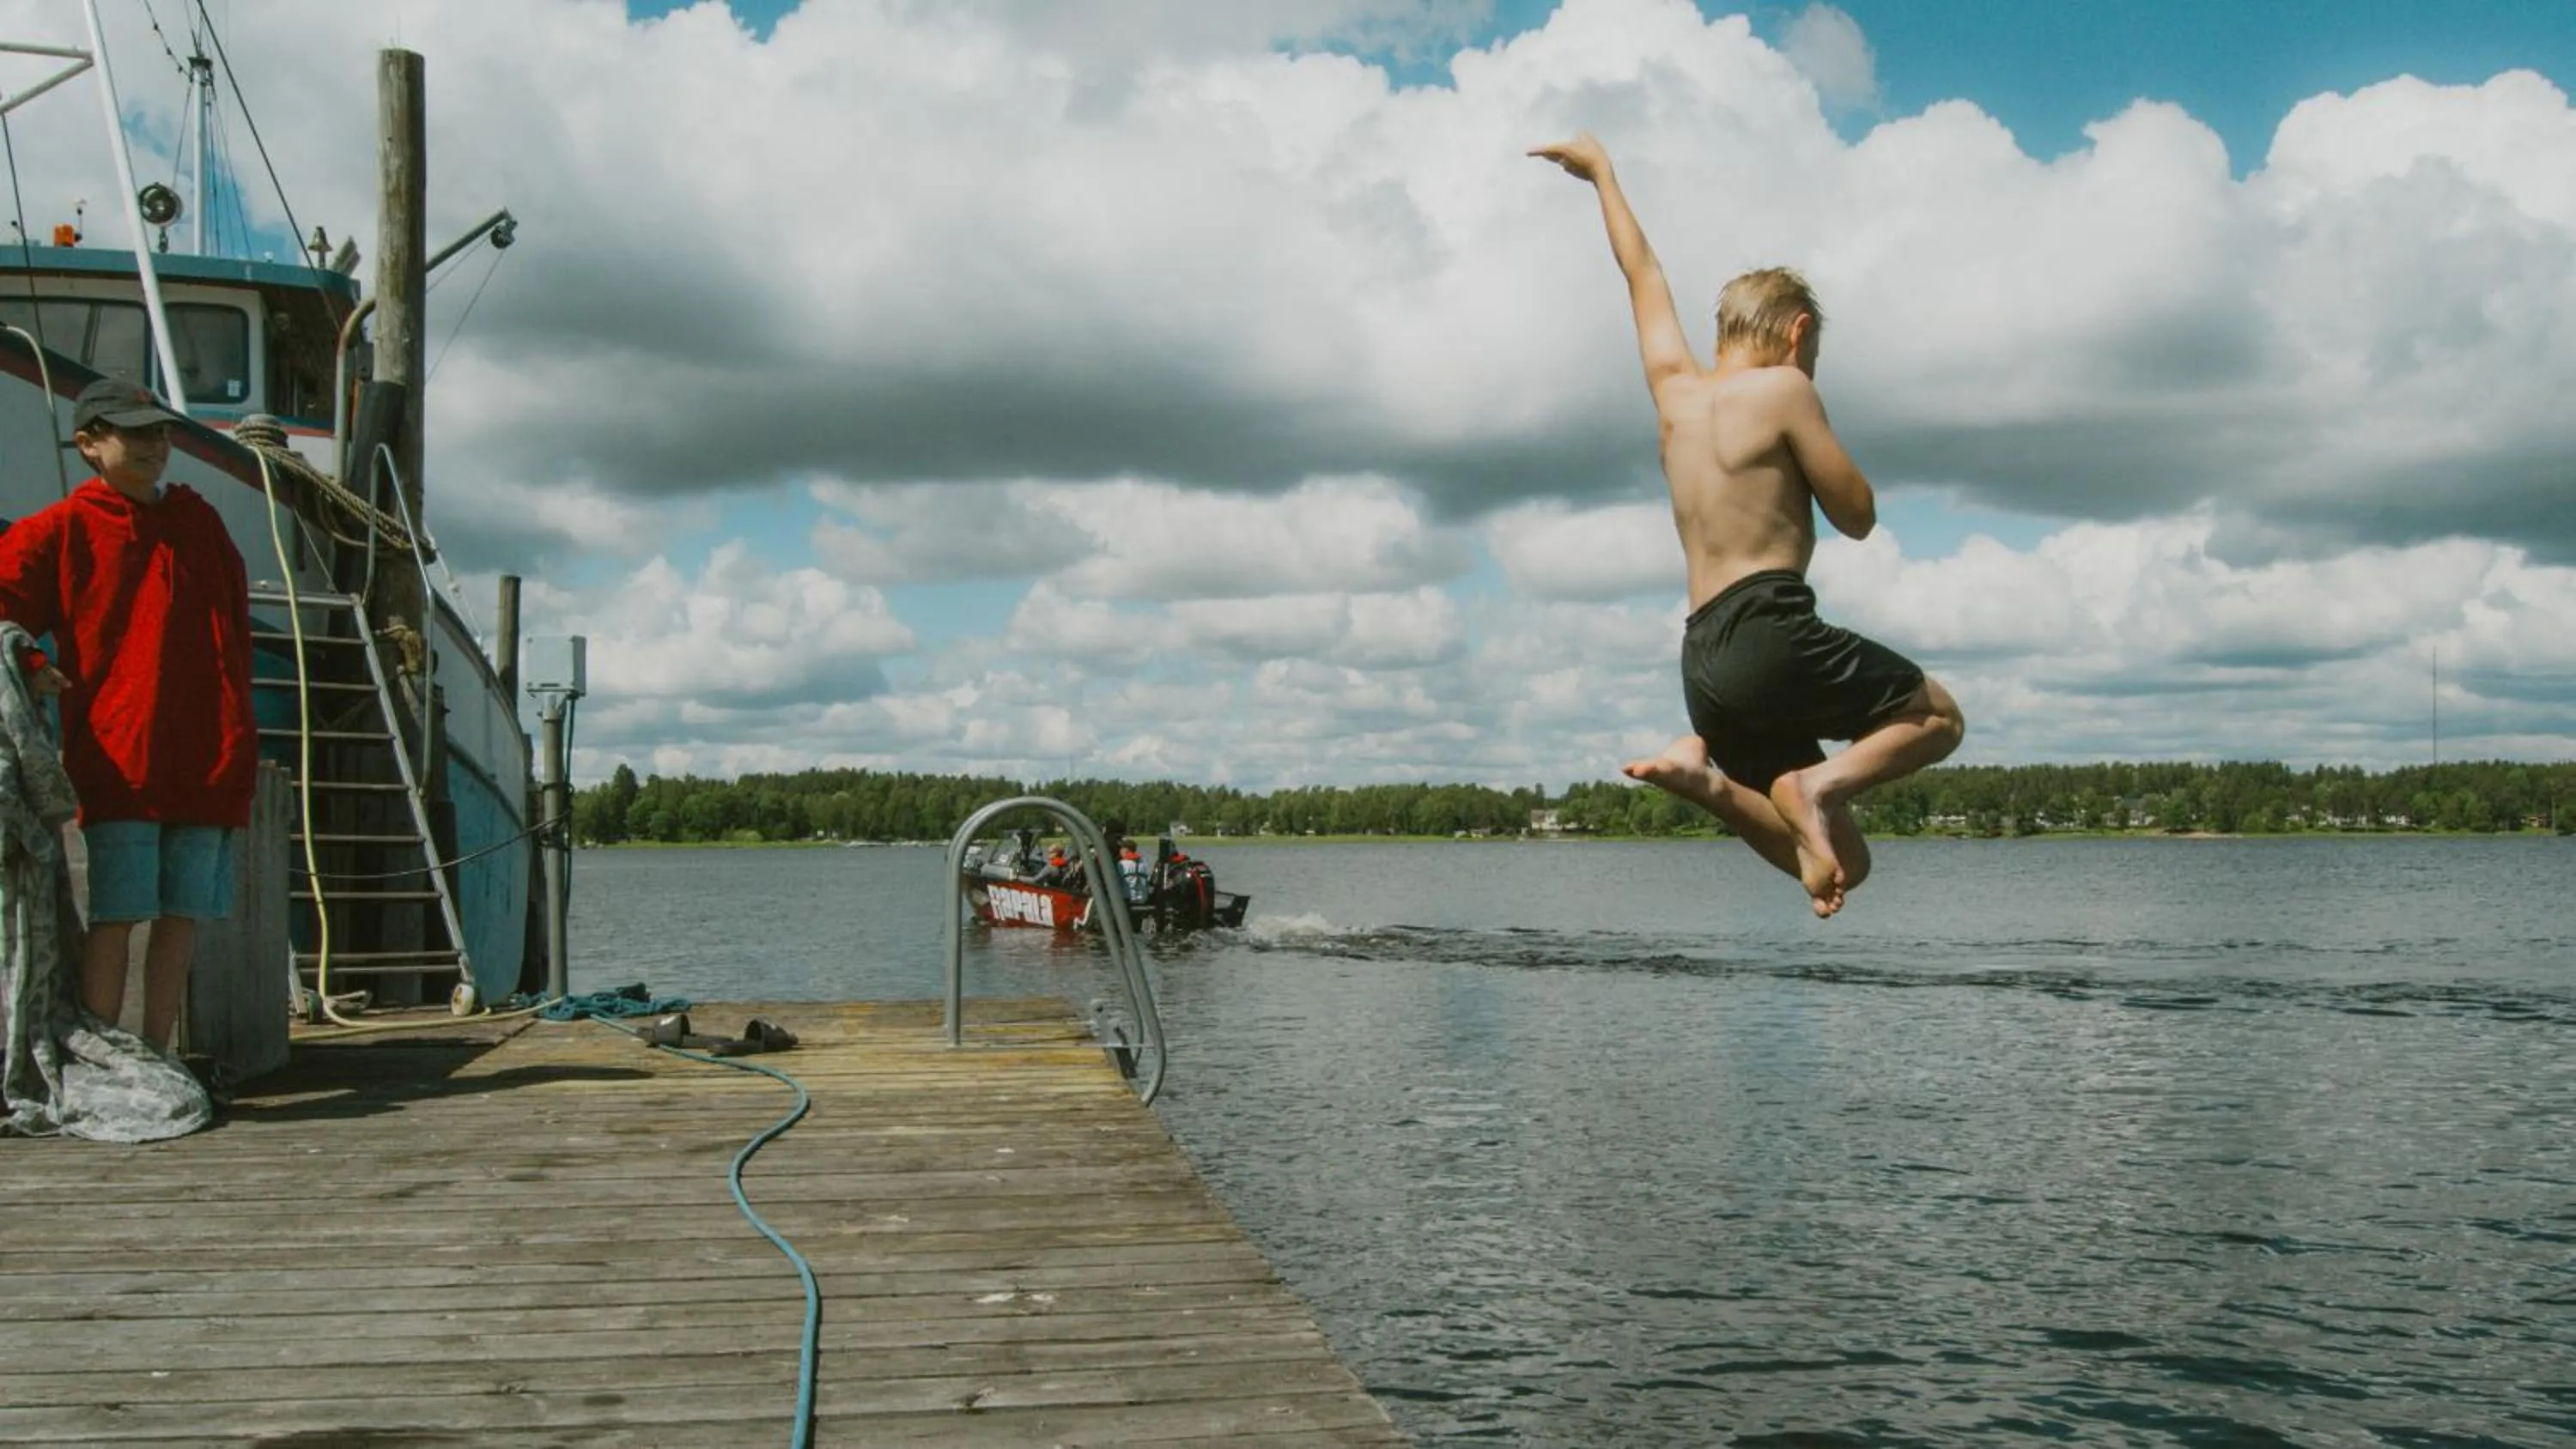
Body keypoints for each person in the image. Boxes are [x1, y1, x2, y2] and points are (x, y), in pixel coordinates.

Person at [1530, 132, 1965, 918]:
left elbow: (1641, 275)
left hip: (1705, 664)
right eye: (1811, 353)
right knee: (1937, 716)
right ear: (1796, 334)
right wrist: (1811, 416)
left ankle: (1705, 783)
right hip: (1771, 629)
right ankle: (1817, 785)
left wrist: (1602, 175)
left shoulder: (1675, 396)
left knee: (1843, 864)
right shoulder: (1785, 390)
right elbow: (1858, 517)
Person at [0, 377, 257, 1047]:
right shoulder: (61, 527)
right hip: (120, 758)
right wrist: (32, 662)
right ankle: (103, 1056)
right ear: (89, 444)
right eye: (134, 433)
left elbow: (236, 632)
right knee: (117, 916)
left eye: (160, 432)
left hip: (209, 757)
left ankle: (159, 1054)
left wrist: (238, 729)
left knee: (181, 916)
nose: (154, 445)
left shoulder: (201, 522)